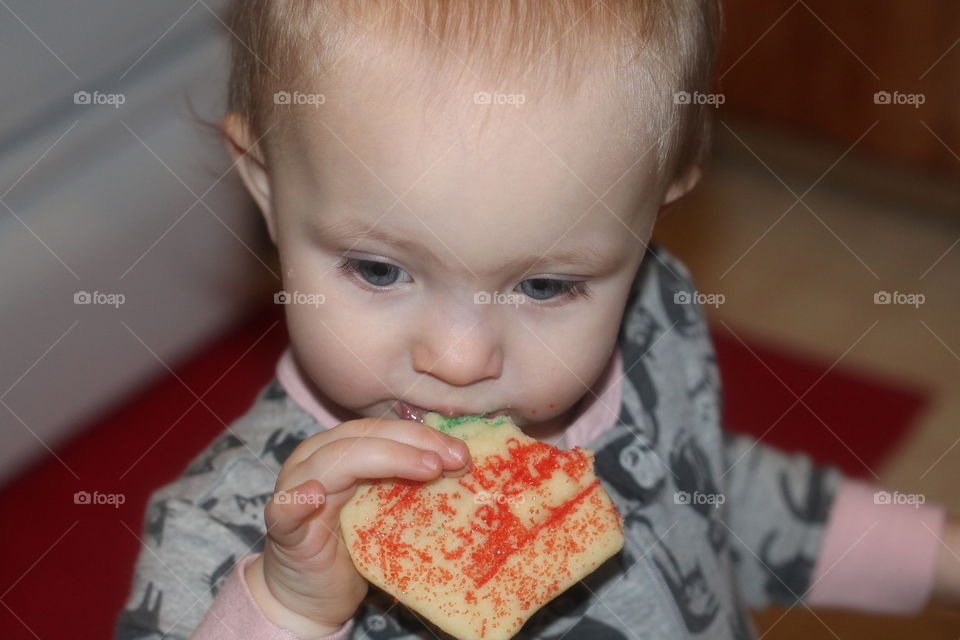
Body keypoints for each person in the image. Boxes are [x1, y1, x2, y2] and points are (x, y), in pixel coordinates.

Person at [115, 2, 958, 638]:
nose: (458, 356)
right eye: (378, 269)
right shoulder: (230, 525)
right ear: (265, 185)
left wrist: (933, 555)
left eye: (547, 286)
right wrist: (290, 609)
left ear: (652, 214)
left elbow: (705, 492)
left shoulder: (646, 325)